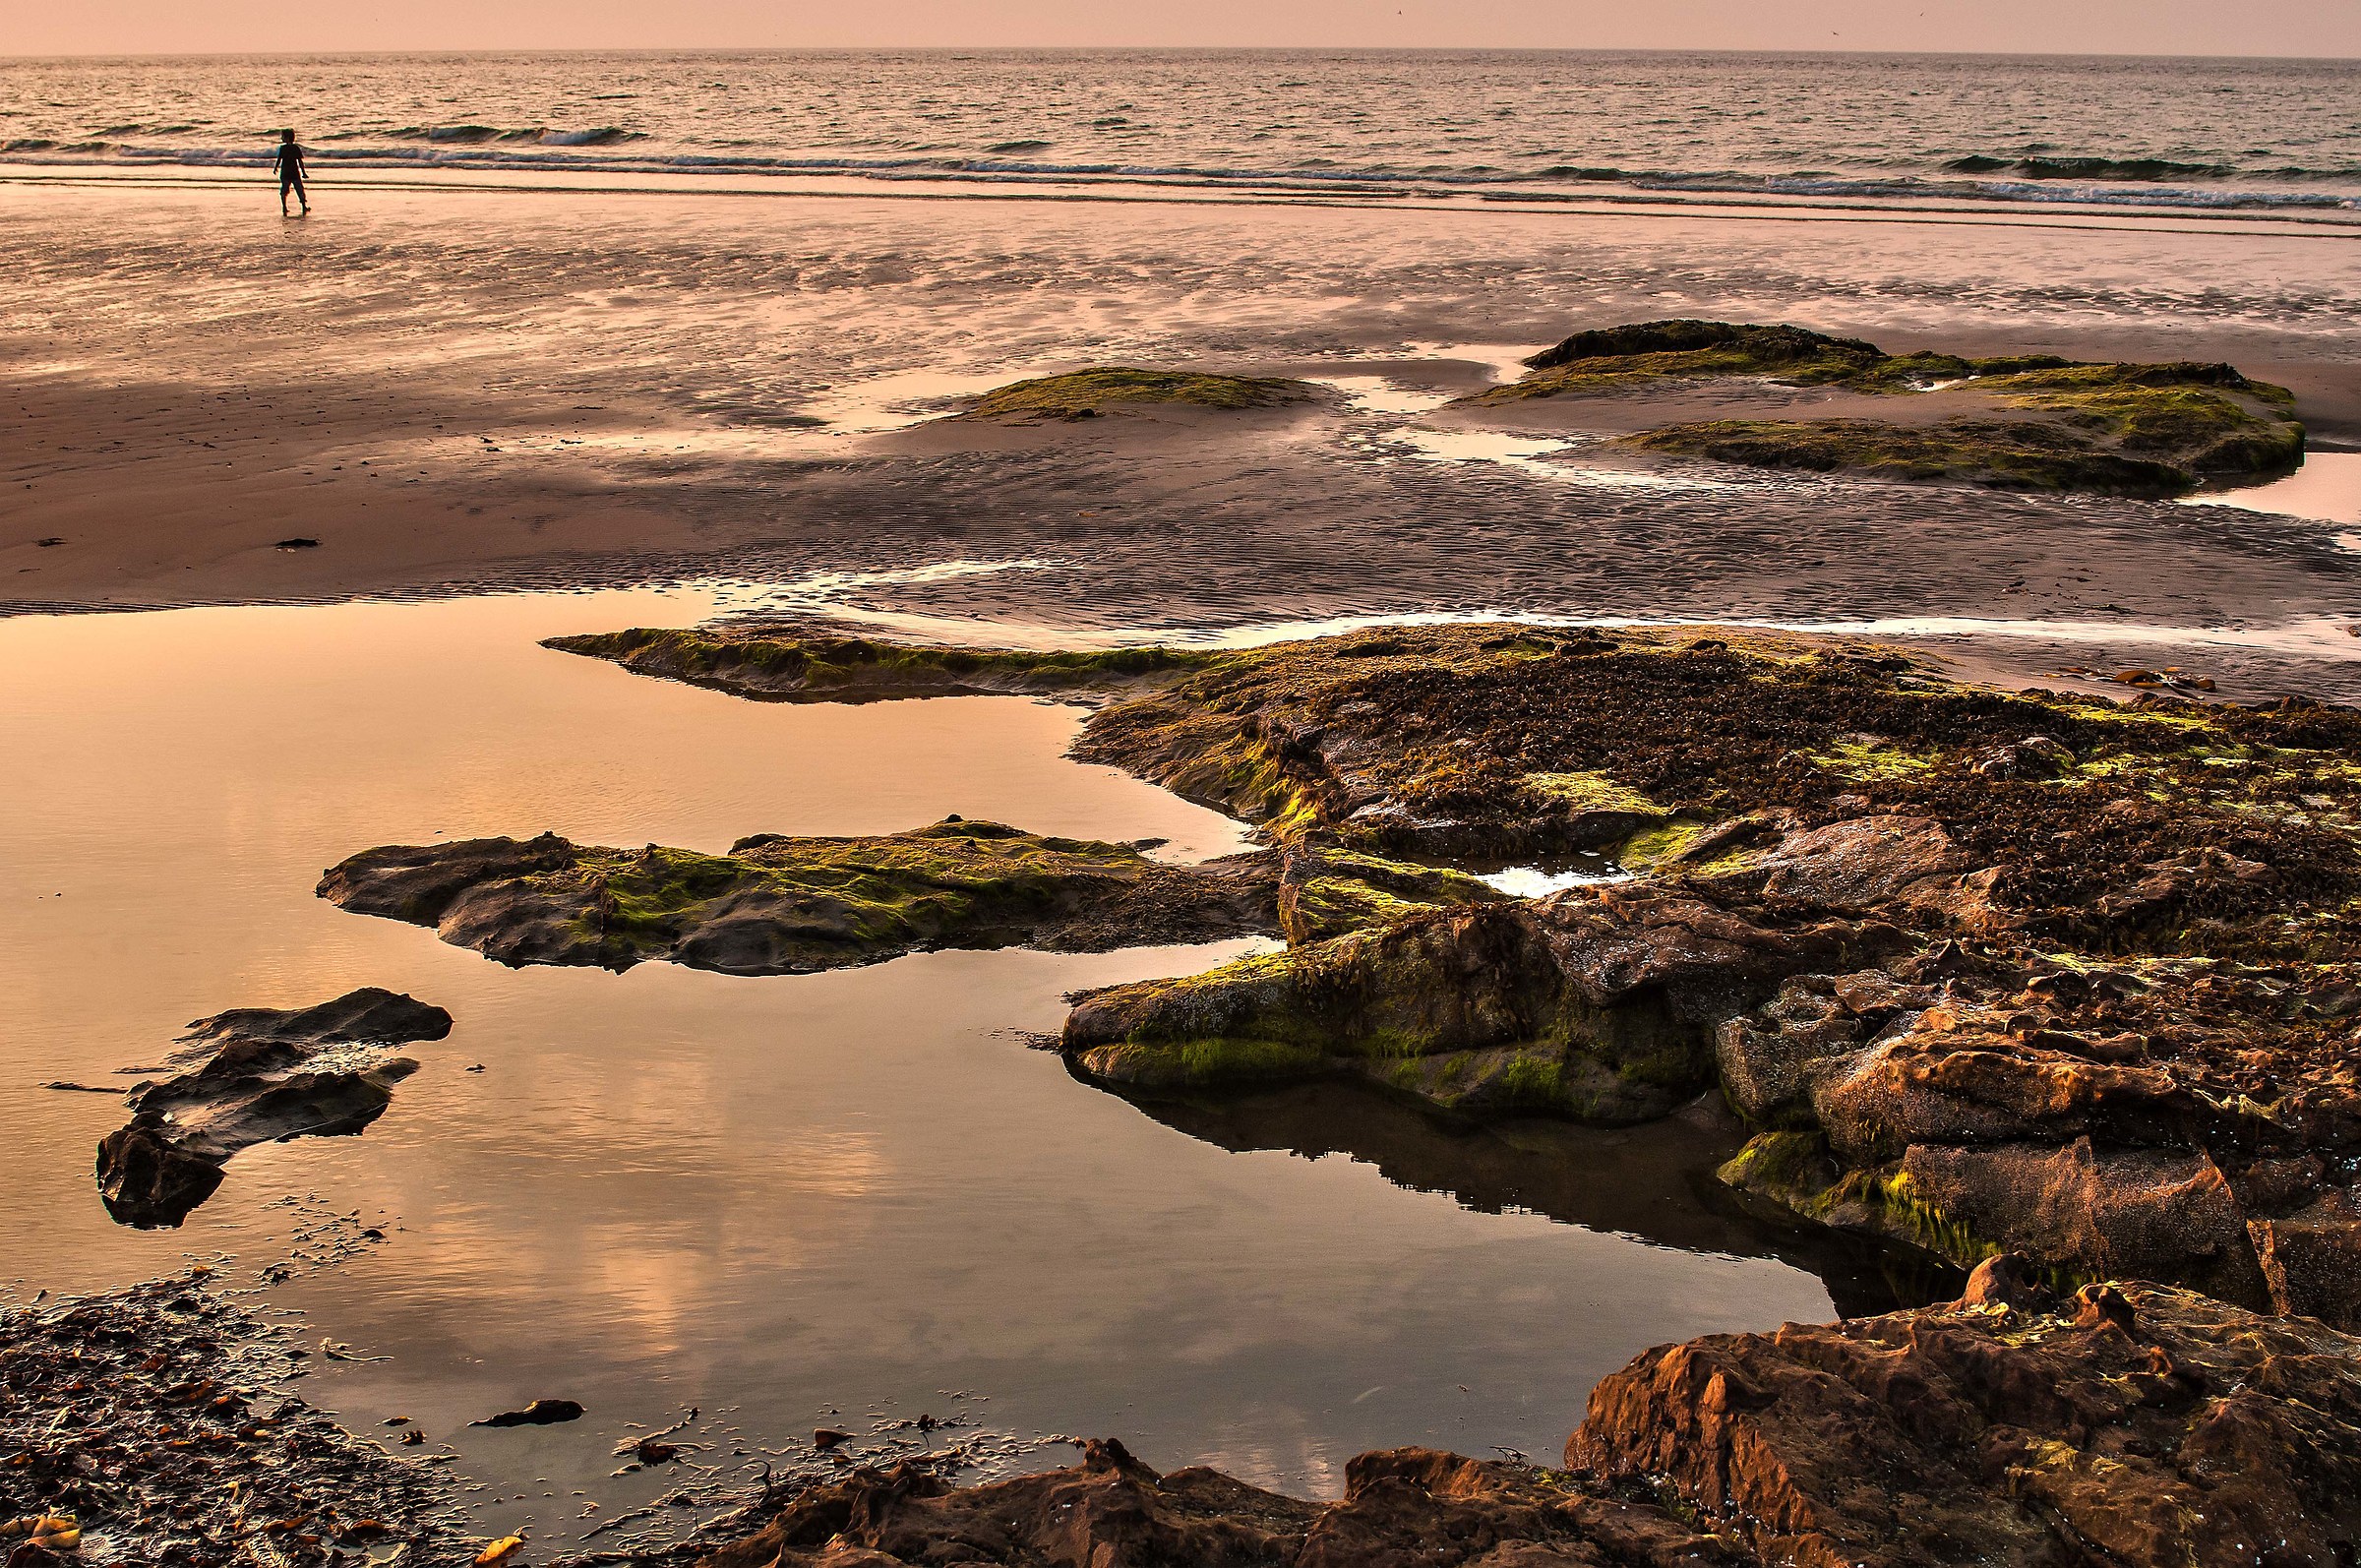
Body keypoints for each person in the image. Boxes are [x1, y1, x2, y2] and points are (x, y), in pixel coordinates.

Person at [274, 129, 309, 216]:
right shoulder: (295, 148)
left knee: (284, 190)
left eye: (283, 136)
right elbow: (300, 161)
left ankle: (284, 206)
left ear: (287, 138)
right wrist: (303, 172)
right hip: (294, 172)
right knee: (299, 189)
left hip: (285, 172)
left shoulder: (283, 148)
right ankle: (303, 206)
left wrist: (275, 168)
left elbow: (279, 160)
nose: (281, 138)